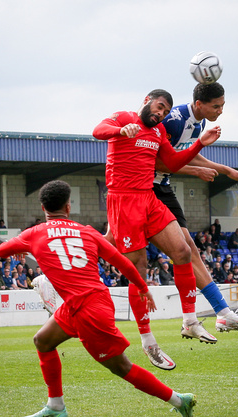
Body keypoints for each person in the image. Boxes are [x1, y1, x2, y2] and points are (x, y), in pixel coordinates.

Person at [0, 180, 197, 417]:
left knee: (121, 367)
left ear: (42, 208)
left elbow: (1, 251)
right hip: (87, 303)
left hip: (87, 310)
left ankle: (179, 400)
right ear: (68, 208)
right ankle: (55, 406)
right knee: (43, 341)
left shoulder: (33, 234)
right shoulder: (87, 232)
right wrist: (144, 288)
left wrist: (20, 248)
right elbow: (123, 263)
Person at [93, 88, 225, 369]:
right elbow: (98, 130)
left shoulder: (157, 133)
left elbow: (174, 162)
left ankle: (189, 321)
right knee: (137, 270)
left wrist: (199, 143)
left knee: (182, 251)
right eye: (159, 107)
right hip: (123, 200)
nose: (161, 113)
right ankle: (148, 341)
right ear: (146, 101)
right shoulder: (124, 117)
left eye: (165, 111)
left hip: (149, 199)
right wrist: (120, 131)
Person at [151, 82, 238, 339]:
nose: (220, 111)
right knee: (121, 249)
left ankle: (221, 313)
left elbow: (187, 154)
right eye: (216, 106)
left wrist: (226, 170)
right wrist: (196, 171)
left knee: (189, 250)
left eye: (222, 106)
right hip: (144, 188)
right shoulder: (174, 120)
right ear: (199, 104)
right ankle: (210, 315)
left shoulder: (197, 125)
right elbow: (156, 159)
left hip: (163, 188)